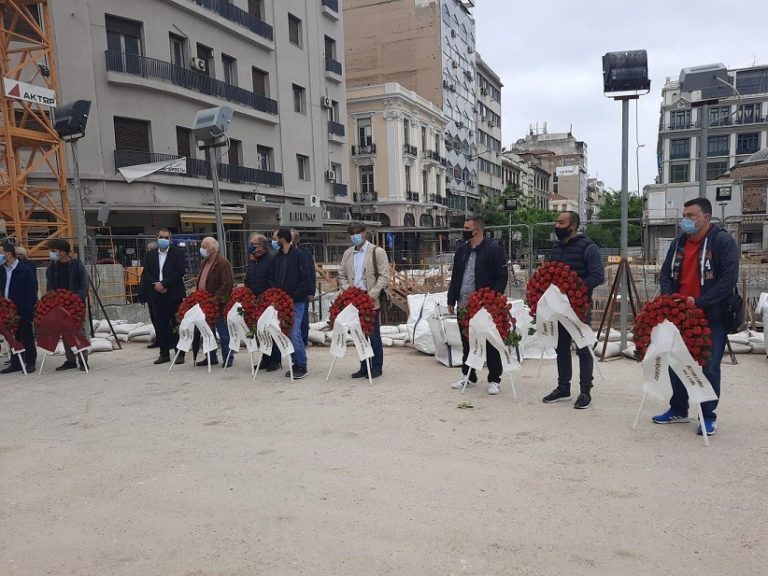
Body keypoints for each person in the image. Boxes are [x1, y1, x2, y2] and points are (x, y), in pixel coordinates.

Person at [653, 197, 738, 436]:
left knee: (709, 366)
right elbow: (667, 274)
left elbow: (728, 280)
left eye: (691, 215)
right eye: (685, 215)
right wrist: (671, 300)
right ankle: (678, 409)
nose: (686, 220)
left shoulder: (721, 242)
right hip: (680, 314)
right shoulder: (679, 243)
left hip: (712, 315)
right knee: (676, 362)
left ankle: (707, 415)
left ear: (707, 218)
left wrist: (700, 302)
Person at [541, 211, 604, 410]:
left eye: (561, 222)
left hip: (579, 307)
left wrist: (574, 290)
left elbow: (597, 276)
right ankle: (563, 388)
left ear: (573, 225)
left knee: (583, 348)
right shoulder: (557, 248)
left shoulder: (588, 247)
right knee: (561, 348)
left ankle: (585, 391)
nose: (557, 225)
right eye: (557, 221)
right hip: (558, 308)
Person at [447, 216, 507, 395]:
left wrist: (492, 300)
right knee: (467, 341)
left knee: (490, 342)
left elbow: (502, 277)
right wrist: (451, 298)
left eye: (467, 228)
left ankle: (495, 379)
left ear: (478, 230)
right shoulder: (462, 250)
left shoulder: (494, 249)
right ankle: (469, 375)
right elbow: (456, 276)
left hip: (485, 304)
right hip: (464, 304)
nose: (464, 230)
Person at [337, 221, 390, 379]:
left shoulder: (377, 252)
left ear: (364, 233)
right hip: (354, 299)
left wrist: (371, 295)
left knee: (373, 334)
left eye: (357, 232)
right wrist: (348, 291)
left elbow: (384, 276)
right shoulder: (348, 253)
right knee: (358, 334)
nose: (355, 236)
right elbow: (342, 275)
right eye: (352, 233)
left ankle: (376, 366)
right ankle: (364, 364)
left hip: (370, 299)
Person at [269, 227, 312, 379]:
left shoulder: (299, 255)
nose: (273, 241)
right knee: (286, 331)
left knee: (294, 332)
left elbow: (306, 277)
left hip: (297, 300)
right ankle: (294, 362)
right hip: (281, 301)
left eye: (275, 238)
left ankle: (301, 364)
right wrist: (276, 294)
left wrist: (295, 294)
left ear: (282, 239)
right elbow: (272, 277)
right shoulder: (277, 257)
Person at [142, 229, 187, 365]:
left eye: (166, 237)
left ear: (170, 239)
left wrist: (165, 283)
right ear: (157, 238)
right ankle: (164, 353)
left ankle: (180, 353)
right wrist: (156, 284)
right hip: (157, 294)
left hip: (173, 293)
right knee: (161, 325)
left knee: (177, 324)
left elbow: (180, 271)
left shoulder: (177, 253)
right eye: (161, 237)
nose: (163, 239)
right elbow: (146, 273)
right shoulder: (150, 255)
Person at [45, 239, 89, 371]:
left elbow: (84, 285)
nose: (51, 253)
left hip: (75, 304)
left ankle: (83, 360)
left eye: (54, 251)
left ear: (63, 252)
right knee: (64, 333)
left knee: (77, 332)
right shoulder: (52, 267)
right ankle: (70, 360)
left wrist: (76, 299)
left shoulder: (77, 265)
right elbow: (50, 286)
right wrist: (52, 299)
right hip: (59, 304)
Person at [244, 233, 280, 372]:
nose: (250, 246)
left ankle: (275, 360)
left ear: (260, 246)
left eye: (252, 244)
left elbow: (273, 280)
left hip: (267, 300)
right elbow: (249, 278)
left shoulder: (271, 259)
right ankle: (265, 358)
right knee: (260, 331)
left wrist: (270, 298)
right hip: (254, 300)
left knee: (270, 330)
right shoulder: (254, 260)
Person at [196, 236, 234, 367]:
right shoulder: (204, 262)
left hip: (218, 304)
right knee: (207, 332)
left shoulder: (223, 263)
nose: (201, 249)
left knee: (223, 332)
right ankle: (211, 357)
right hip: (204, 304)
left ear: (212, 249)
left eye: (204, 247)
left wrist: (214, 299)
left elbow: (227, 284)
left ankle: (228, 357)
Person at [0, 242, 38, 373]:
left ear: (8, 255)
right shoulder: (2, 270)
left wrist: (29, 310)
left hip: (22, 309)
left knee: (27, 336)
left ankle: (30, 362)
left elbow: (32, 291)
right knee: (12, 337)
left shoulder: (24, 269)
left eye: (1, 253)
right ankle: (16, 362)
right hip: (7, 310)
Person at [291, 229, 317, 346]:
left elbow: (310, 272)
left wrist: (311, 290)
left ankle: (303, 341)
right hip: (288, 291)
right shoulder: (283, 253)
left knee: (303, 318)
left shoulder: (304, 253)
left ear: (296, 239)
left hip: (302, 291)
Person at [138, 241, 159, 349]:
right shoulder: (148, 262)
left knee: (159, 318)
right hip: (150, 295)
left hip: (158, 295)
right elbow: (144, 279)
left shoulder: (159, 263)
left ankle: (163, 339)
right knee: (154, 318)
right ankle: (158, 339)